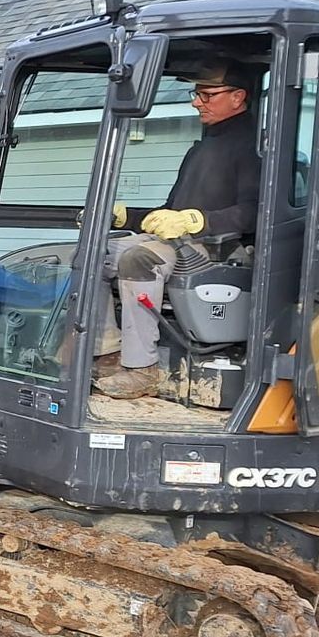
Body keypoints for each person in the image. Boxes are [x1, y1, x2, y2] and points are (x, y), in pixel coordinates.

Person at [95, 60, 262, 399]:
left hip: (219, 248)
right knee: (91, 251)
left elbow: (254, 213)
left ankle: (143, 370)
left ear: (238, 97)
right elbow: (170, 213)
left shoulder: (254, 148)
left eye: (207, 94)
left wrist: (196, 221)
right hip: (177, 240)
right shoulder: (201, 148)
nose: (196, 102)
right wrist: (125, 216)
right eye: (196, 93)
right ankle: (108, 351)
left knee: (139, 259)